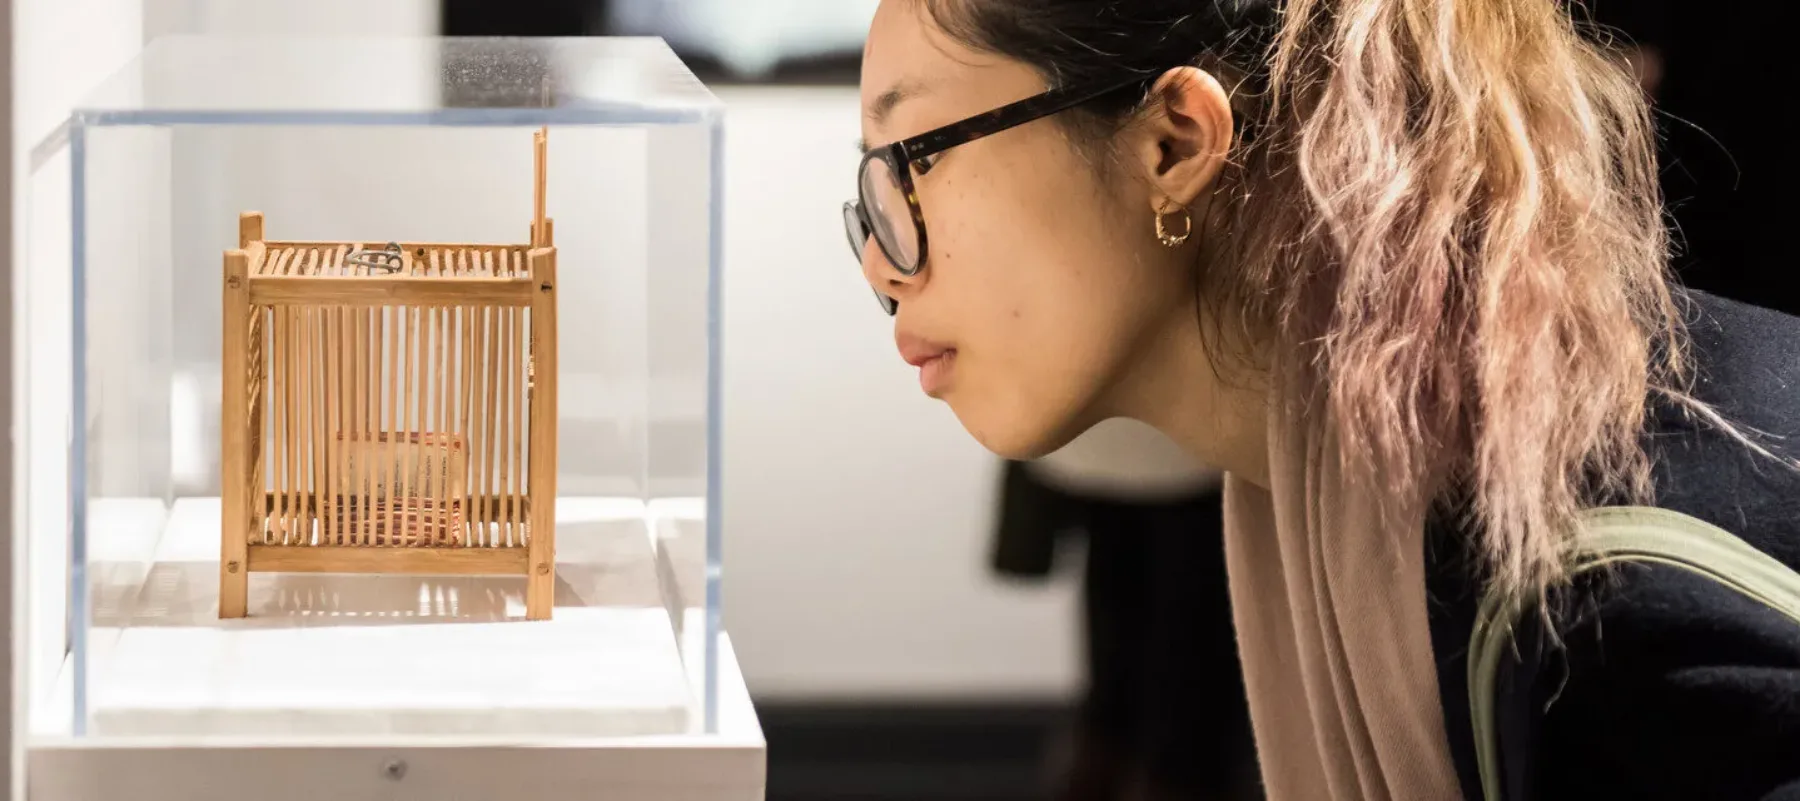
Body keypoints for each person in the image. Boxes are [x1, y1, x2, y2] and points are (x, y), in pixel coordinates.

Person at [840, 2, 1800, 800]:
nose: (882, 264)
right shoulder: (1331, 495)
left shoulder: (1599, 621)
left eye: (912, 158)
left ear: (1176, 142)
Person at [990, 419, 1257, 800]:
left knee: (1129, 633)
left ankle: (1120, 765)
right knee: (1177, 653)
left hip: (1116, 430)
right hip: (1185, 438)